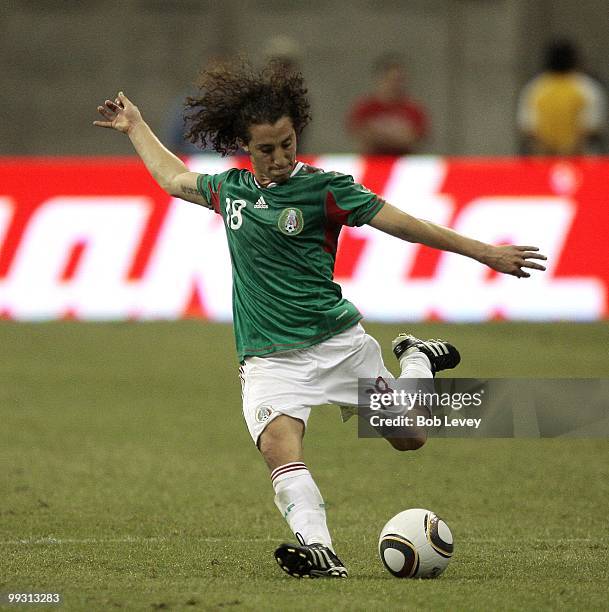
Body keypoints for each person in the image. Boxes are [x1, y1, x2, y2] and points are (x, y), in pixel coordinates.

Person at [94, 59, 546, 579]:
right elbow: (174, 177)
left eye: (287, 143)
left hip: (338, 344)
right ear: (246, 145)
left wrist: (483, 251)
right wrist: (136, 127)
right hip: (268, 359)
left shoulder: (326, 188)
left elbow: (406, 225)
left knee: (409, 437)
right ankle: (321, 551)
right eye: (266, 149)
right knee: (278, 446)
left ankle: (418, 360)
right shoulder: (230, 191)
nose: (280, 156)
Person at [517, 39, 607, 156]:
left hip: (552, 158)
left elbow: (528, 128)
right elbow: (592, 126)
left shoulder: (535, 89)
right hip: (575, 159)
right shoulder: (587, 88)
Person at [347, 54, 429, 155]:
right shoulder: (365, 108)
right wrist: (397, 135)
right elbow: (361, 133)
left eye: (399, 80)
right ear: (380, 80)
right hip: (373, 162)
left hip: (402, 164)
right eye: (391, 80)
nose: (395, 85)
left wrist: (379, 134)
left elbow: (414, 138)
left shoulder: (414, 109)